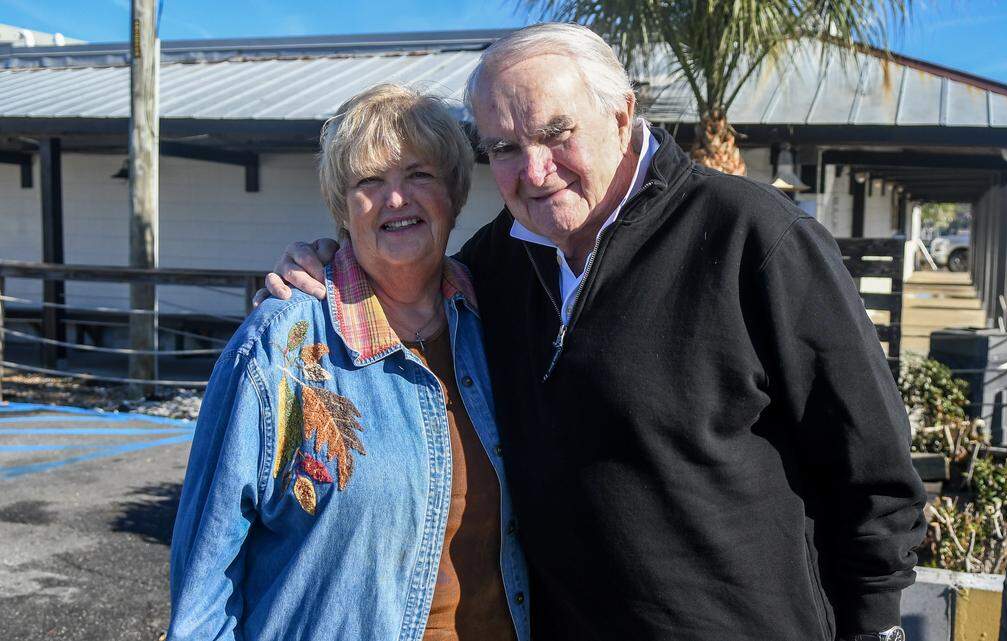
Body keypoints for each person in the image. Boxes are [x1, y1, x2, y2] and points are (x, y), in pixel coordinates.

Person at [262, 23, 926, 641]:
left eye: (557, 133)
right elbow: (402, 275)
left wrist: (873, 626)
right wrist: (328, 265)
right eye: (505, 148)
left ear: (621, 114)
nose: (535, 170)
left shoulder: (751, 238)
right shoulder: (496, 265)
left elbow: (872, 466)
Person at [168, 84, 529, 641]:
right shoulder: (280, 347)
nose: (396, 199)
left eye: (419, 175)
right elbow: (206, 574)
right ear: (342, 207)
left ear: (454, 193)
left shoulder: (497, 318)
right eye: (369, 182)